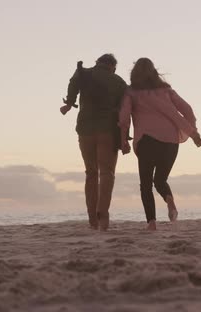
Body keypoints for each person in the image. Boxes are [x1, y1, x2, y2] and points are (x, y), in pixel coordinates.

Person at [118, 57, 201, 231]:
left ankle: (151, 222)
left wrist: (123, 139)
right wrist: (192, 131)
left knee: (146, 183)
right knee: (160, 180)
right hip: (170, 141)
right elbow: (187, 109)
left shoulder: (131, 92)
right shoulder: (166, 91)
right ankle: (170, 201)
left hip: (147, 140)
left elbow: (124, 116)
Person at [61, 53, 127, 231]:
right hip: (108, 131)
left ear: (97, 62)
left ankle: (92, 220)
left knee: (91, 173)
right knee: (106, 173)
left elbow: (72, 84)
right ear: (113, 66)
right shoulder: (119, 82)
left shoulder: (84, 73)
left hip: (85, 129)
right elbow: (125, 111)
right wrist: (125, 136)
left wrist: (69, 103)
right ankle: (102, 213)